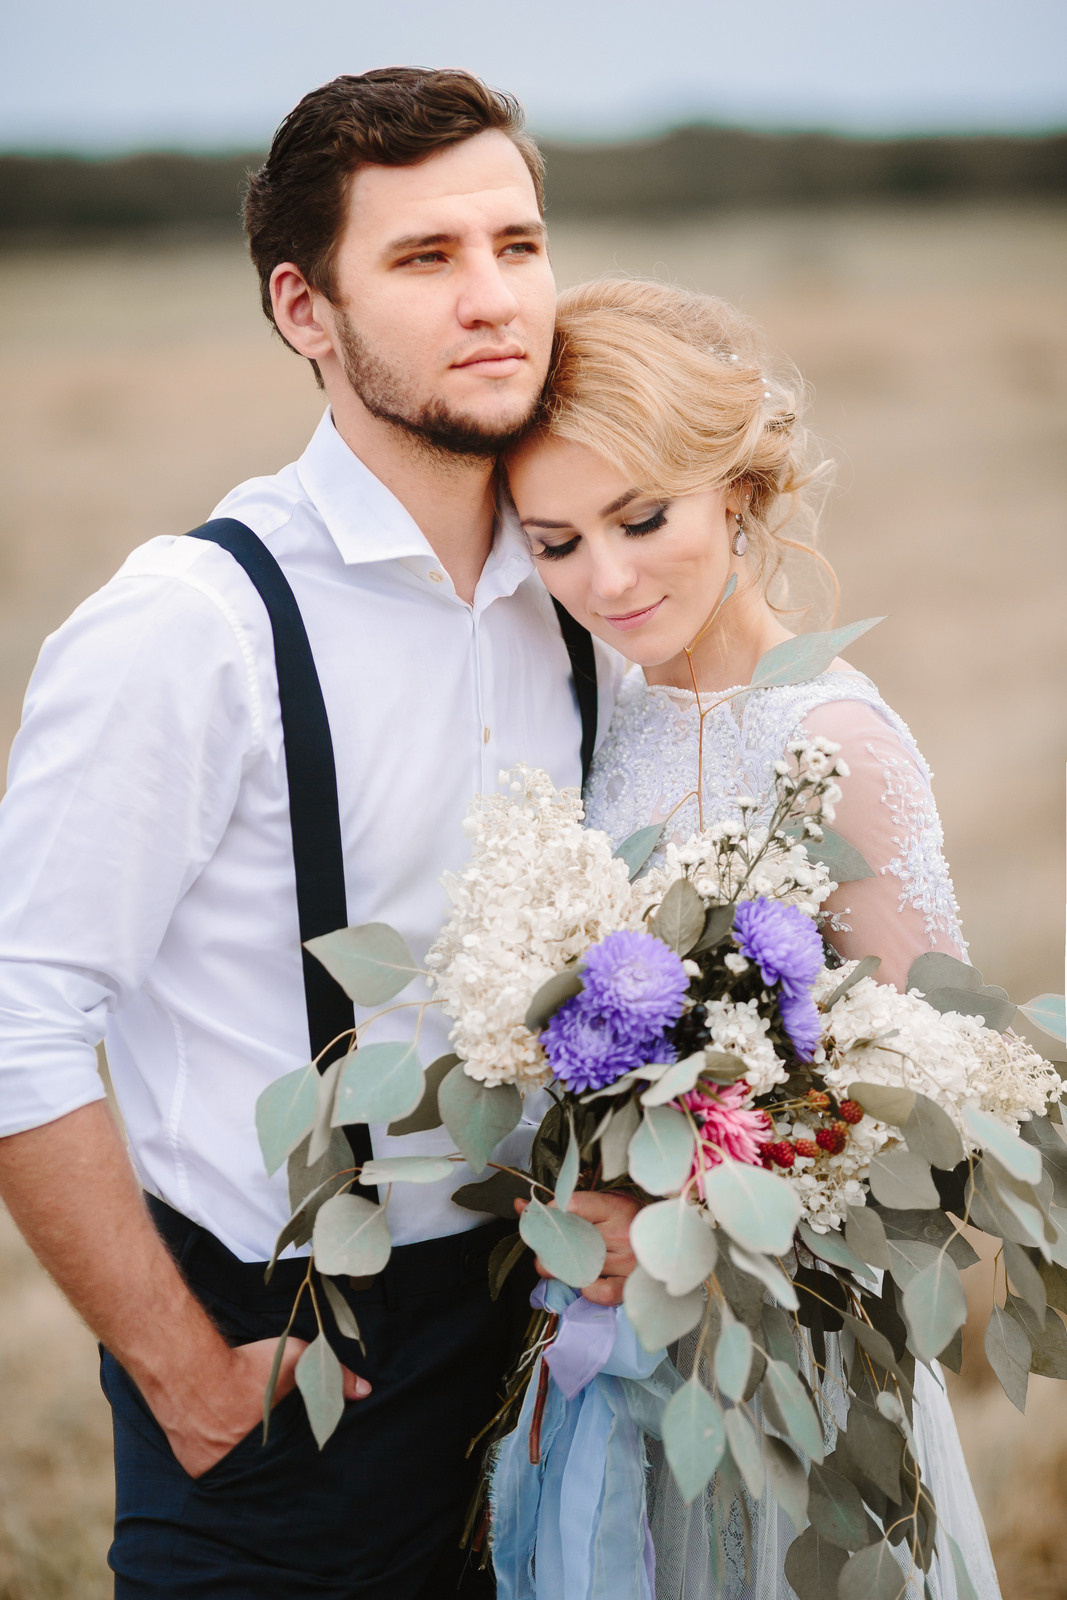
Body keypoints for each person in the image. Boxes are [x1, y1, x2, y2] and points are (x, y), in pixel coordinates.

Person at [0, 70, 639, 1600]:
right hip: (272, 1371)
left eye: (518, 243)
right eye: (424, 260)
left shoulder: (585, 598)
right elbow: (21, 1019)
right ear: (305, 308)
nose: (495, 300)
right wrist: (181, 1370)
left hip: (548, 1355)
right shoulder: (189, 625)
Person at [505, 277, 1002, 1597]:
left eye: (640, 518)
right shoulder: (585, 724)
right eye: (554, 541)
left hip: (780, 1360)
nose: (603, 578)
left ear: (739, 488)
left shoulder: (835, 744)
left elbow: (930, 1100)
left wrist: (696, 1199)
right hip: (596, 1346)